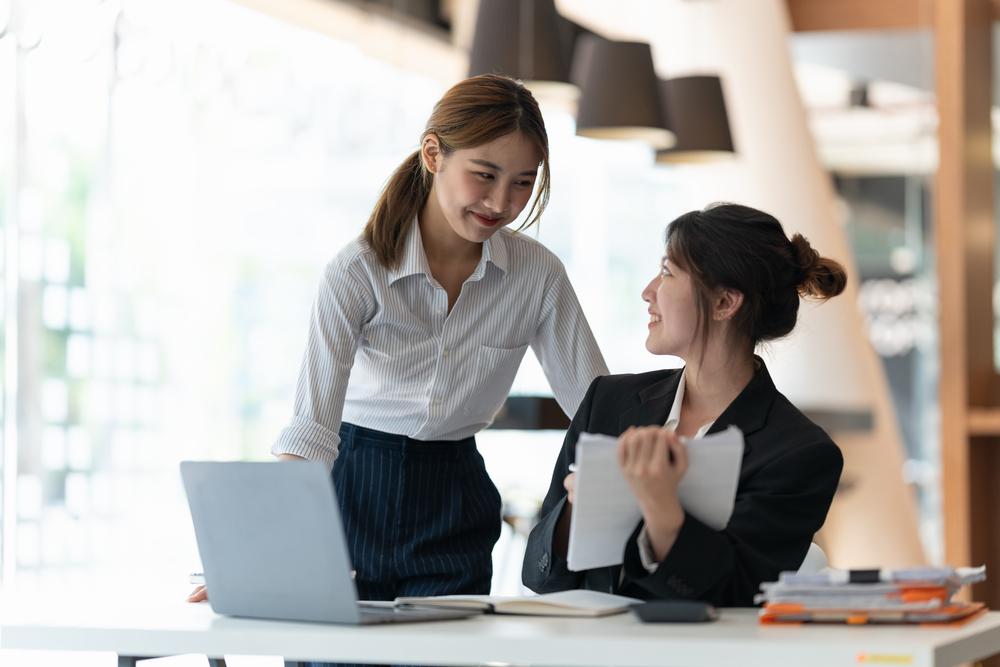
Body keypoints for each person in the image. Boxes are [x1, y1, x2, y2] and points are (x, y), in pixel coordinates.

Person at [187, 74, 607, 606]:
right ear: (433, 154)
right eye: (485, 174)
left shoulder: (537, 276)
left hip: (455, 501)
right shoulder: (357, 271)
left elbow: (598, 410)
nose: (502, 201)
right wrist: (256, 557)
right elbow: (312, 430)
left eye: (523, 182)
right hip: (347, 493)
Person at [522, 203, 846, 607]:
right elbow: (538, 575)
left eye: (668, 272)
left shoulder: (799, 453)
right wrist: (576, 507)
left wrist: (661, 507)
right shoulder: (608, 402)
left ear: (725, 303)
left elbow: (734, 597)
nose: (648, 291)